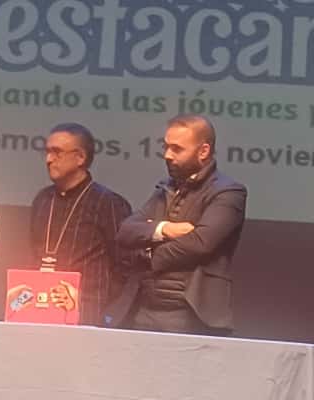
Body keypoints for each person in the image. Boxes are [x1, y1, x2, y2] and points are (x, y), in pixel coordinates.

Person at [111, 114, 247, 335]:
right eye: (166, 147)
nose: (167, 155)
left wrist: (148, 256)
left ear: (203, 151)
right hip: (143, 306)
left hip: (188, 312)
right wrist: (165, 228)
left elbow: (200, 243)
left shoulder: (228, 192)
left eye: (177, 149)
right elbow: (126, 231)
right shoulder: (165, 188)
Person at [27, 123, 133, 325]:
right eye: (47, 152)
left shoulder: (108, 202)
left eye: (57, 152)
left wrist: (107, 314)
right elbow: (33, 254)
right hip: (40, 308)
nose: (49, 159)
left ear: (81, 157)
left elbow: (124, 266)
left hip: (89, 313)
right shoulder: (43, 199)